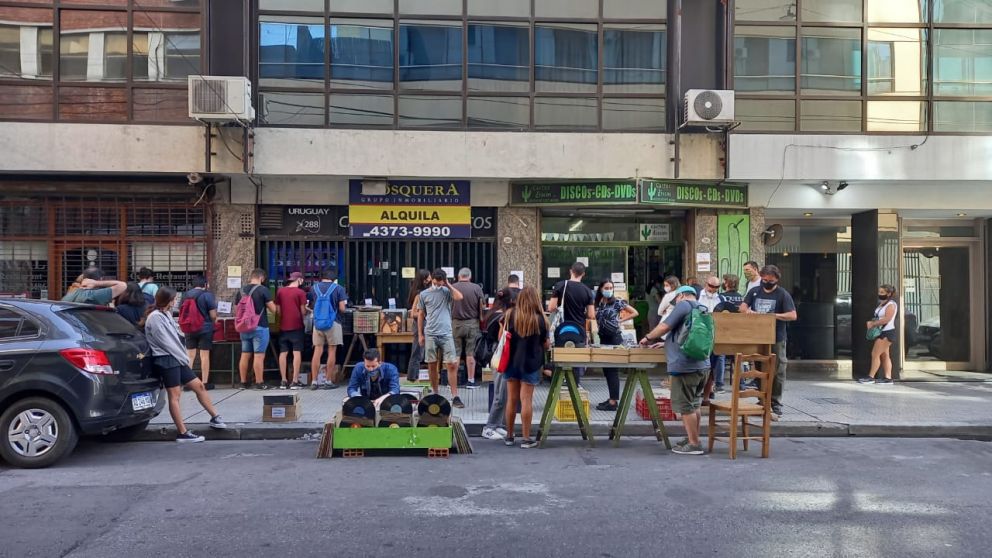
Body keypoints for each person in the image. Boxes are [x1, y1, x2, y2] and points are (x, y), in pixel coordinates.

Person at [144, 287, 227, 443]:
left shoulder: (166, 314)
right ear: (168, 300)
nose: (176, 301)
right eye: (174, 298)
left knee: (199, 386)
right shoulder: (155, 317)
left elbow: (175, 336)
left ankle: (215, 417)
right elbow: (166, 342)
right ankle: (182, 432)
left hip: (177, 358)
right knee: (175, 395)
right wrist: (183, 356)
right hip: (167, 358)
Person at [640, 286, 711, 455]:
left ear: (681, 295)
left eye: (676, 299)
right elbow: (688, 335)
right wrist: (666, 343)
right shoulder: (702, 308)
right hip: (702, 364)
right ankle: (693, 437)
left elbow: (665, 326)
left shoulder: (684, 305)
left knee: (686, 407)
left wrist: (648, 337)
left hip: (685, 366)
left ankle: (694, 444)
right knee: (694, 404)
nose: (675, 303)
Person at [740, 264, 797, 419]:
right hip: (758, 337)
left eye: (770, 281)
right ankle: (762, 400)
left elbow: (792, 315)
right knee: (759, 370)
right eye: (764, 280)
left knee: (778, 370)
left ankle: (775, 402)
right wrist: (749, 312)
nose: (766, 283)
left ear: (776, 280)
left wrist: (774, 316)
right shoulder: (754, 291)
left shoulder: (782, 294)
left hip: (776, 337)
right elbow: (742, 307)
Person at [502, 286, 549, 449]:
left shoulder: (510, 315)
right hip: (531, 362)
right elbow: (546, 344)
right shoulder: (541, 319)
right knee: (526, 400)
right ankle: (526, 438)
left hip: (511, 361)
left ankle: (509, 436)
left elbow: (502, 337)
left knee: (511, 399)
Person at [480, 274, 521, 441]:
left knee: (503, 393)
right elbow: (501, 338)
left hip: (496, 354)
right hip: (501, 355)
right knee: (500, 394)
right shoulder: (504, 317)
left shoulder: (492, 313)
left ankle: (498, 425)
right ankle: (489, 427)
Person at [418, 268, 465, 408]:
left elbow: (459, 297)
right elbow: (421, 314)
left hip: (446, 332)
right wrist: (420, 334)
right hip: (430, 333)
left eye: (440, 282)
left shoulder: (446, 291)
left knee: (451, 363)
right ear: (432, 279)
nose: (438, 284)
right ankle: (435, 393)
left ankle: (455, 395)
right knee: (432, 364)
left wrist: (448, 284)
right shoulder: (424, 294)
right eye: (436, 281)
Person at [594, 279, 639, 411]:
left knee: (612, 370)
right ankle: (611, 398)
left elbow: (635, 312)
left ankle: (613, 402)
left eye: (610, 288)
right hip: (603, 338)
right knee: (607, 370)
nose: (609, 290)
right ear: (601, 289)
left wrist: (620, 320)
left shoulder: (617, 302)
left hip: (614, 338)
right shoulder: (598, 303)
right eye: (606, 288)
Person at [549, 262, 596, 383]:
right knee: (576, 359)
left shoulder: (560, 285)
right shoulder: (587, 291)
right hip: (578, 330)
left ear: (571, 271)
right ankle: (575, 385)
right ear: (583, 274)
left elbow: (551, 307)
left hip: (562, 329)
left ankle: (558, 384)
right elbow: (591, 315)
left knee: (560, 357)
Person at [237, 268, 277, 390]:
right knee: (259, 355)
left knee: (245, 354)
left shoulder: (241, 291)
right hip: (260, 326)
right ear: (262, 278)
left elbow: (236, 310)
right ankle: (259, 382)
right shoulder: (263, 290)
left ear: (251, 277)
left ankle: (243, 382)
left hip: (244, 327)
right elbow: (273, 310)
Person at [309, 269, 347, 390]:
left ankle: (314, 381)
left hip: (318, 323)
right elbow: (342, 308)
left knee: (317, 351)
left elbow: (311, 305)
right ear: (333, 278)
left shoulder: (314, 288)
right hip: (333, 322)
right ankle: (328, 381)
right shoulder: (338, 288)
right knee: (332, 350)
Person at [451, 267, 485, 388]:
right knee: (470, 353)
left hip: (455, 323)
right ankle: (471, 380)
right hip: (472, 323)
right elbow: (482, 305)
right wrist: (481, 318)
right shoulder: (476, 288)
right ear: (470, 276)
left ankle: (453, 380)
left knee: (456, 353)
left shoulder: (452, 287)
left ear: (459, 276)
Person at [859, 284, 899, 386]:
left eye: (882, 292)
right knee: (885, 355)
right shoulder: (883, 304)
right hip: (882, 332)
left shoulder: (891, 305)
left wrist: (873, 324)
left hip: (886, 332)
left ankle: (871, 377)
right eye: (879, 292)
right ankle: (888, 378)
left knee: (875, 354)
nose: (879, 294)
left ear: (889, 293)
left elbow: (887, 319)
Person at [184, 276, 218, 390]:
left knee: (190, 356)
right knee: (204, 355)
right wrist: (214, 321)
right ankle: (204, 382)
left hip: (189, 328)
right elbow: (213, 315)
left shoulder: (186, 295)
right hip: (205, 328)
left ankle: (188, 383)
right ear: (205, 284)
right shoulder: (207, 295)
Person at [276, 272, 309, 389]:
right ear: (299, 280)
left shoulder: (280, 291)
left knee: (283, 352)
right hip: (297, 325)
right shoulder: (300, 292)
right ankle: (295, 381)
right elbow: (303, 311)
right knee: (296, 352)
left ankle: (283, 380)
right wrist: (307, 310)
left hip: (283, 326)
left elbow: (278, 310)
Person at [698, 276, 727, 396]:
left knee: (718, 357)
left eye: (716, 287)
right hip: (701, 331)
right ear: (706, 284)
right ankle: (702, 386)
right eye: (711, 286)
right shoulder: (698, 296)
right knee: (703, 358)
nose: (713, 289)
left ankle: (715, 385)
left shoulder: (721, 298)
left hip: (716, 331)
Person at [406, 269, 432, 382]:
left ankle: (414, 377)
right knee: (417, 352)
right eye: (429, 276)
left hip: (421, 324)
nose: (431, 278)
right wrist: (426, 315)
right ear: (425, 279)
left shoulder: (419, 292)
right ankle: (412, 377)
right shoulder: (420, 294)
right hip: (420, 325)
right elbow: (413, 313)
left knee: (419, 352)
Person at [62, 268, 127, 305]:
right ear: (101, 279)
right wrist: (96, 283)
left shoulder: (70, 294)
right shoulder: (93, 295)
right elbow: (122, 285)